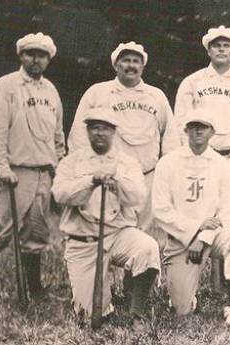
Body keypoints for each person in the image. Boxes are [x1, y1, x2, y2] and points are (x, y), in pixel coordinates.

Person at [0, 32, 64, 300]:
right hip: (14, 172)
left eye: (42, 55)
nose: (36, 60)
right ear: (21, 56)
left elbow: (58, 135)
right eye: (30, 53)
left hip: (43, 173)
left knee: (36, 232)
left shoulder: (50, 91)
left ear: (48, 59)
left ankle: (35, 290)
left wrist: (58, 166)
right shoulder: (6, 86)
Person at [52, 109, 160, 328]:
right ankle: (101, 296)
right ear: (88, 130)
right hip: (84, 240)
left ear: (114, 131)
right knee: (90, 314)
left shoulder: (126, 162)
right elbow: (60, 194)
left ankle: (137, 312)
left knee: (147, 247)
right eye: (95, 127)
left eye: (105, 128)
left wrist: (117, 182)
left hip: (118, 233)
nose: (100, 133)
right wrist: (91, 181)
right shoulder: (71, 162)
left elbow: (138, 195)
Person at [68, 41, 178, 233]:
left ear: (143, 66)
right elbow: (78, 135)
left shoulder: (156, 96)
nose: (131, 65)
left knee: (139, 233)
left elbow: (170, 138)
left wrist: (167, 173)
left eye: (136, 61)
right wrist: (87, 172)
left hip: (147, 176)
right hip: (108, 177)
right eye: (126, 60)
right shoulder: (97, 93)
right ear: (116, 64)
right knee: (107, 230)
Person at [153, 110, 230, 326]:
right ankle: (185, 295)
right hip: (181, 239)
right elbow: (161, 210)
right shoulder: (168, 163)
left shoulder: (221, 164)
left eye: (203, 126)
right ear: (186, 130)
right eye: (193, 126)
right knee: (181, 311)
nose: (197, 130)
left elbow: (229, 212)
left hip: (212, 236)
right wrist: (195, 228)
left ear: (212, 132)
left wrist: (203, 237)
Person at [174, 25, 230, 188]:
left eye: (226, 46)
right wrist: (193, 156)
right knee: (197, 210)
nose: (221, 50)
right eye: (216, 45)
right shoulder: (192, 82)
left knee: (227, 211)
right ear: (208, 51)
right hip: (197, 161)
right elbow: (180, 123)